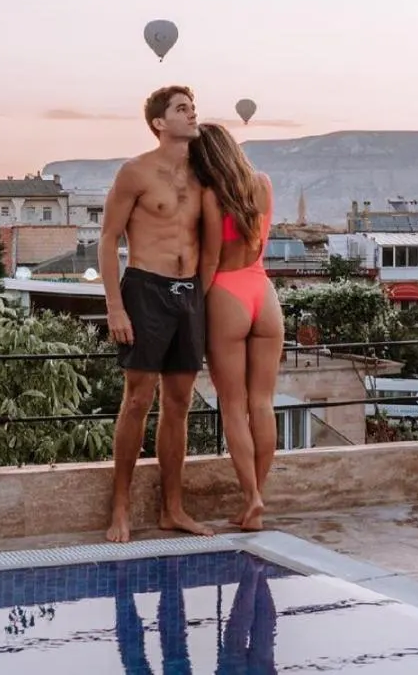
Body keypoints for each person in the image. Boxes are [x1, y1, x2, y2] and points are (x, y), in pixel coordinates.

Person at [100, 84, 212, 543]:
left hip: (190, 296)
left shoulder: (205, 174)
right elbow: (108, 240)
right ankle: (121, 508)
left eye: (193, 108)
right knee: (137, 401)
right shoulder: (136, 172)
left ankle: (172, 509)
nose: (192, 115)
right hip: (146, 290)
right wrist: (114, 307)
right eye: (182, 109)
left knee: (180, 404)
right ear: (159, 123)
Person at [193, 123, 284, 532]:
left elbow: (210, 259)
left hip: (227, 292)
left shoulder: (212, 196)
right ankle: (256, 498)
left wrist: (196, 300)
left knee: (233, 405)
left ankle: (252, 498)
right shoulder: (263, 185)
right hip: (263, 294)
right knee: (262, 403)